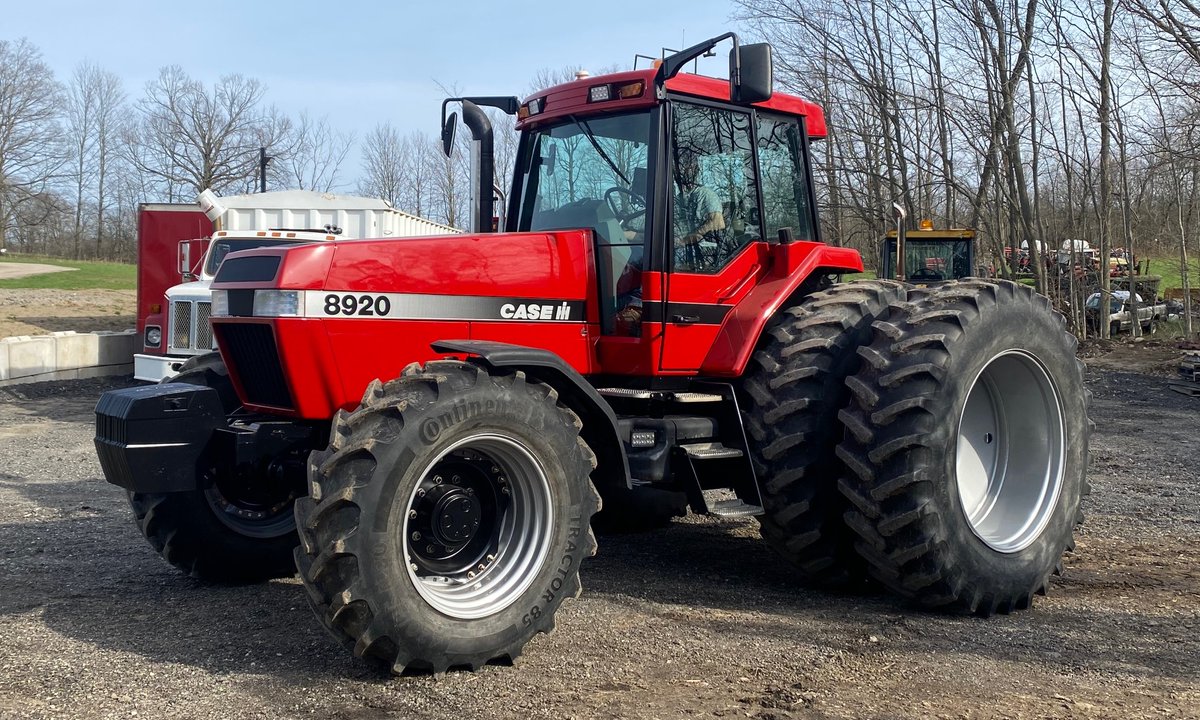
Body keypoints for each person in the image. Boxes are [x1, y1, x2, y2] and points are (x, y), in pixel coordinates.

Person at [673, 152, 725, 271]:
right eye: (680, 169)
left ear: (696, 172)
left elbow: (718, 222)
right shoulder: (677, 199)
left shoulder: (706, 194)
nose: (683, 172)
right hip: (680, 255)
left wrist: (686, 240)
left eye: (689, 168)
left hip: (708, 257)